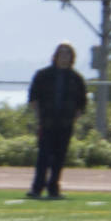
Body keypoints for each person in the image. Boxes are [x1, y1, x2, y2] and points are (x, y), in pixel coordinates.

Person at [27, 43, 87, 200]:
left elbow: (81, 103)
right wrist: (39, 116)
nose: (64, 57)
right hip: (46, 123)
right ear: (55, 56)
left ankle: (54, 189)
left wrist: (73, 118)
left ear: (72, 58)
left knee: (59, 158)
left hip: (65, 124)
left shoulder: (76, 78)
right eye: (61, 53)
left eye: (67, 54)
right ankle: (36, 188)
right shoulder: (43, 75)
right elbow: (33, 98)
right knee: (43, 157)